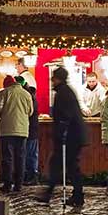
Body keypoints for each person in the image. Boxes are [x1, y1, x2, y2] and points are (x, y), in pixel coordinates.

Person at [38, 67, 87, 207]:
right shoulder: (65, 91)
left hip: (70, 137)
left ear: (57, 79)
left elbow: (66, 116)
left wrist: (62, 132)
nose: (51, 80)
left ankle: (51, 193)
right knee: (68, 166)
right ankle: (75, 195)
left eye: (53, 78)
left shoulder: (63, 93)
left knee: (64, 165)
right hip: (73, 136)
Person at [0, 75, 33, 193]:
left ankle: (7, 184)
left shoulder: (4, 93)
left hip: (6, 130)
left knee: (7, 157)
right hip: (22, 130)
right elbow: (30, 111)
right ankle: (19, 184)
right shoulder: (26, 94)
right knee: (20, 157)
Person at [22, 81, 40, 184]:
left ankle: (32, 176)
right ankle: (32, 176)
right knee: (31, 154)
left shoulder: (29, 97)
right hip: (32, 129)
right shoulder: (31, 96)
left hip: (30, 129)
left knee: (30, 154)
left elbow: (29, 113)